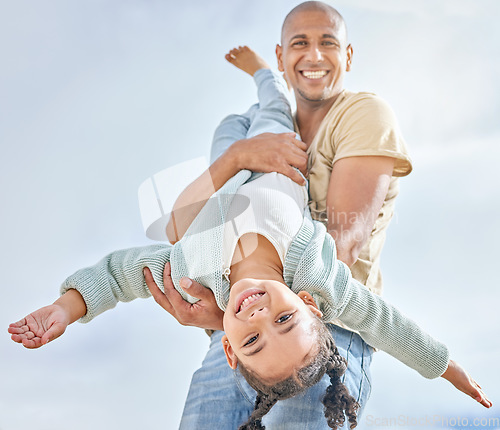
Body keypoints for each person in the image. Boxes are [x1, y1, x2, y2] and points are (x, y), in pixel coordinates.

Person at [9, 45, 491, 430]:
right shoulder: (316, 272)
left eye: (254, 339)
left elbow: (118, 274)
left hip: (227, 179)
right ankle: (265, 71)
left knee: (226, 131)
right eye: (285, 318)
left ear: (229, 348)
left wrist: (64, 310)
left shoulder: (192, 268)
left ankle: (241, 123)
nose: (261, 316)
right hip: (279, 157)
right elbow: (385, 323)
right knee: (271, 111)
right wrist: (447, 367)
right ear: (309, 302)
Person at [148, 2, 412, 428]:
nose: (313, 55)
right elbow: (185, 227)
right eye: (299, 43)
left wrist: (224, 313)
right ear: (280, 57)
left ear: (347, 56)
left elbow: (340, 249)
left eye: (328, 42)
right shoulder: (262, 133)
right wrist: (237, 156)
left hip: (321, 330)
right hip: (234, 343)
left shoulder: (362, 114)